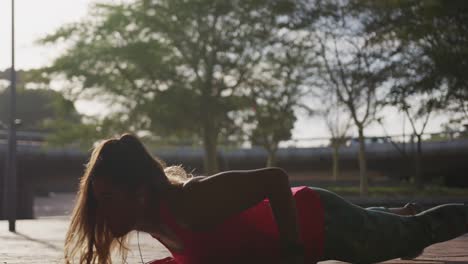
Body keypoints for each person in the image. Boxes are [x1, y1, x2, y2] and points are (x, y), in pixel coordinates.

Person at [64, 133, 468, 264]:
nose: (100, 210)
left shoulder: (191, 201)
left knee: (412, 237)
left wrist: (293, 249)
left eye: (108, 198)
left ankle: (407, 219)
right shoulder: (156, 222)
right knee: (395, 224)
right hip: (312, 217)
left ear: (139, 192)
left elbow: (275, 179)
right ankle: (397, 212)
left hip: (320, 223)